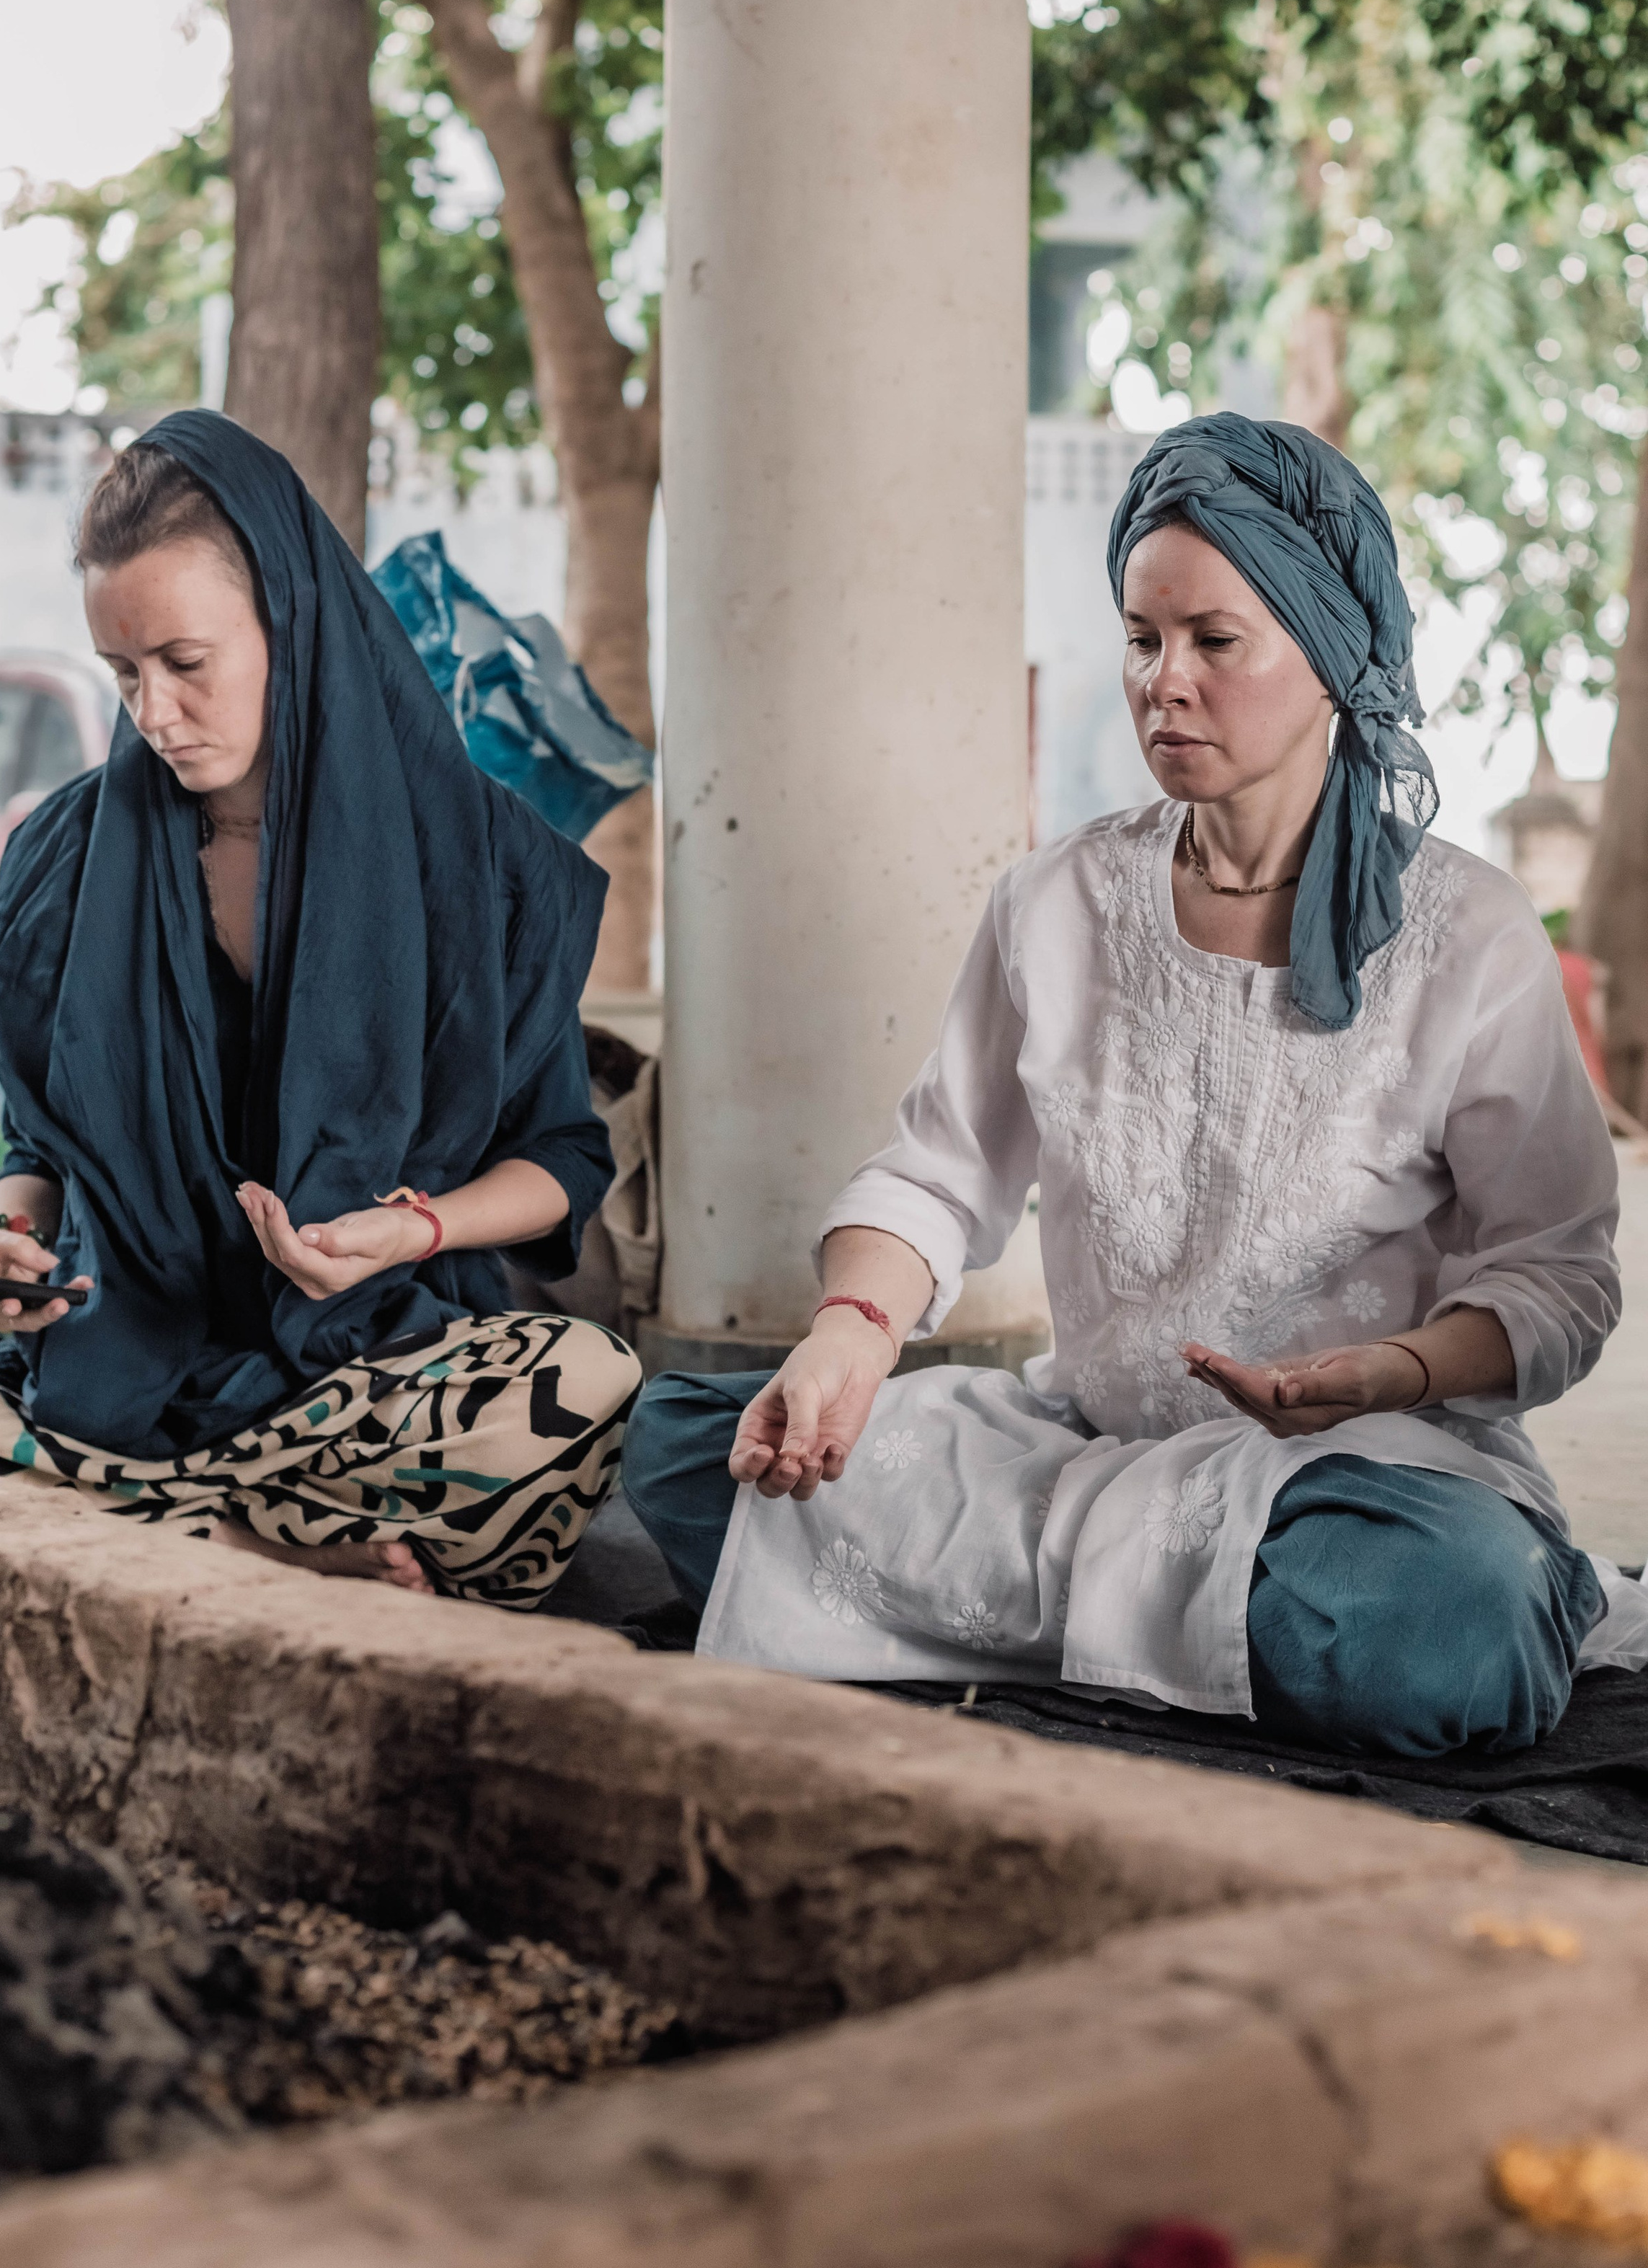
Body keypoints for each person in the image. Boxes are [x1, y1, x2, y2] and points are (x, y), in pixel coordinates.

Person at [624, 412, 1648, 1752]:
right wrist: (847, 1339)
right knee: (693, 1442)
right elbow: (938, 1173)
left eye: (1214, 642)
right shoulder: (1056, 902)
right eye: (1142, 639)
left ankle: (1004, 1622)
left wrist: (1392, 1373)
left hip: (1350, 1486)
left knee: (1452, 1613)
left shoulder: (1468, 933)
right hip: (1083, 1458)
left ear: (1332, 652)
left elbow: (1559, 1275)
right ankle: (1171, 1631)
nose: (1165, 681)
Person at [0, 412, 639, 1605]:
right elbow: (42, 1147)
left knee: (575, 1387)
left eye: (185, 663)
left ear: (289, 625)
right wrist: (11, 1236)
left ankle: (123, 1529)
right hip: (111, 1370)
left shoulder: (479, 858)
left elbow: (562, 1157)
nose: (153, 710)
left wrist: (411, 1234)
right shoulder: (65, 856)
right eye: (122, 674)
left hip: (363, 1377)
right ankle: (245, 1545)